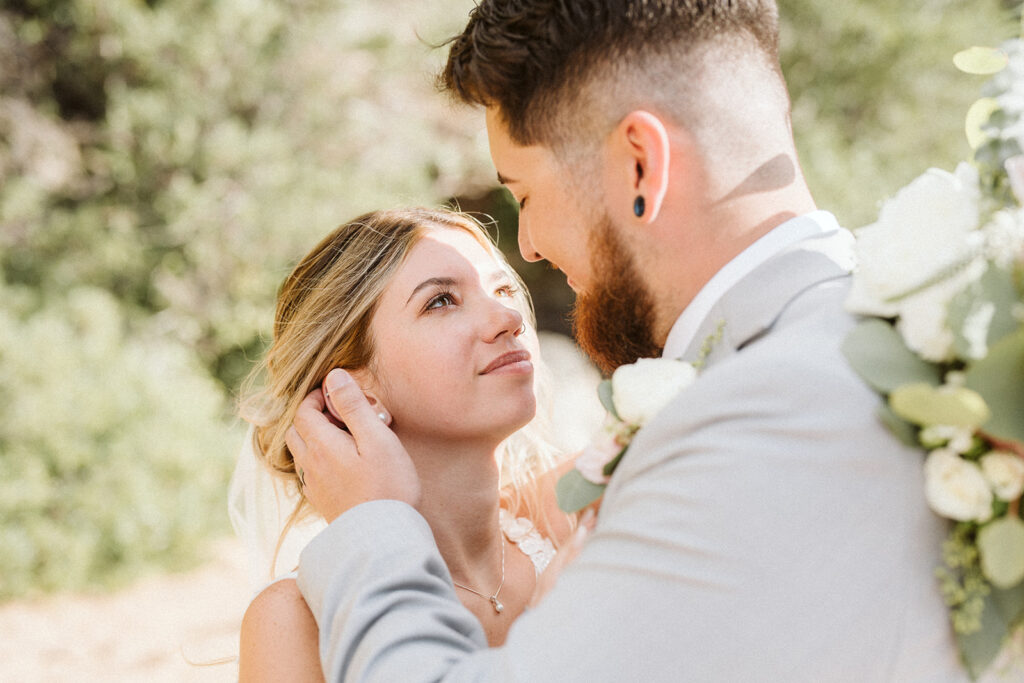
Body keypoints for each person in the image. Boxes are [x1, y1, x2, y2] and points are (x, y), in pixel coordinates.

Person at [289, 1, 970, 680]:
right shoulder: (907, 330)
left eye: (524, 195)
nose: (527, 246)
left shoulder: (754, 421)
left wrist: (371, 523)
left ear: (640, 164)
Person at [234, 208, 580, 681]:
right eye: (440, 301)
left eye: (501, 289)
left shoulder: (581, 509)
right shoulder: (295, 621)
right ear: (351, 390)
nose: (507, 317)